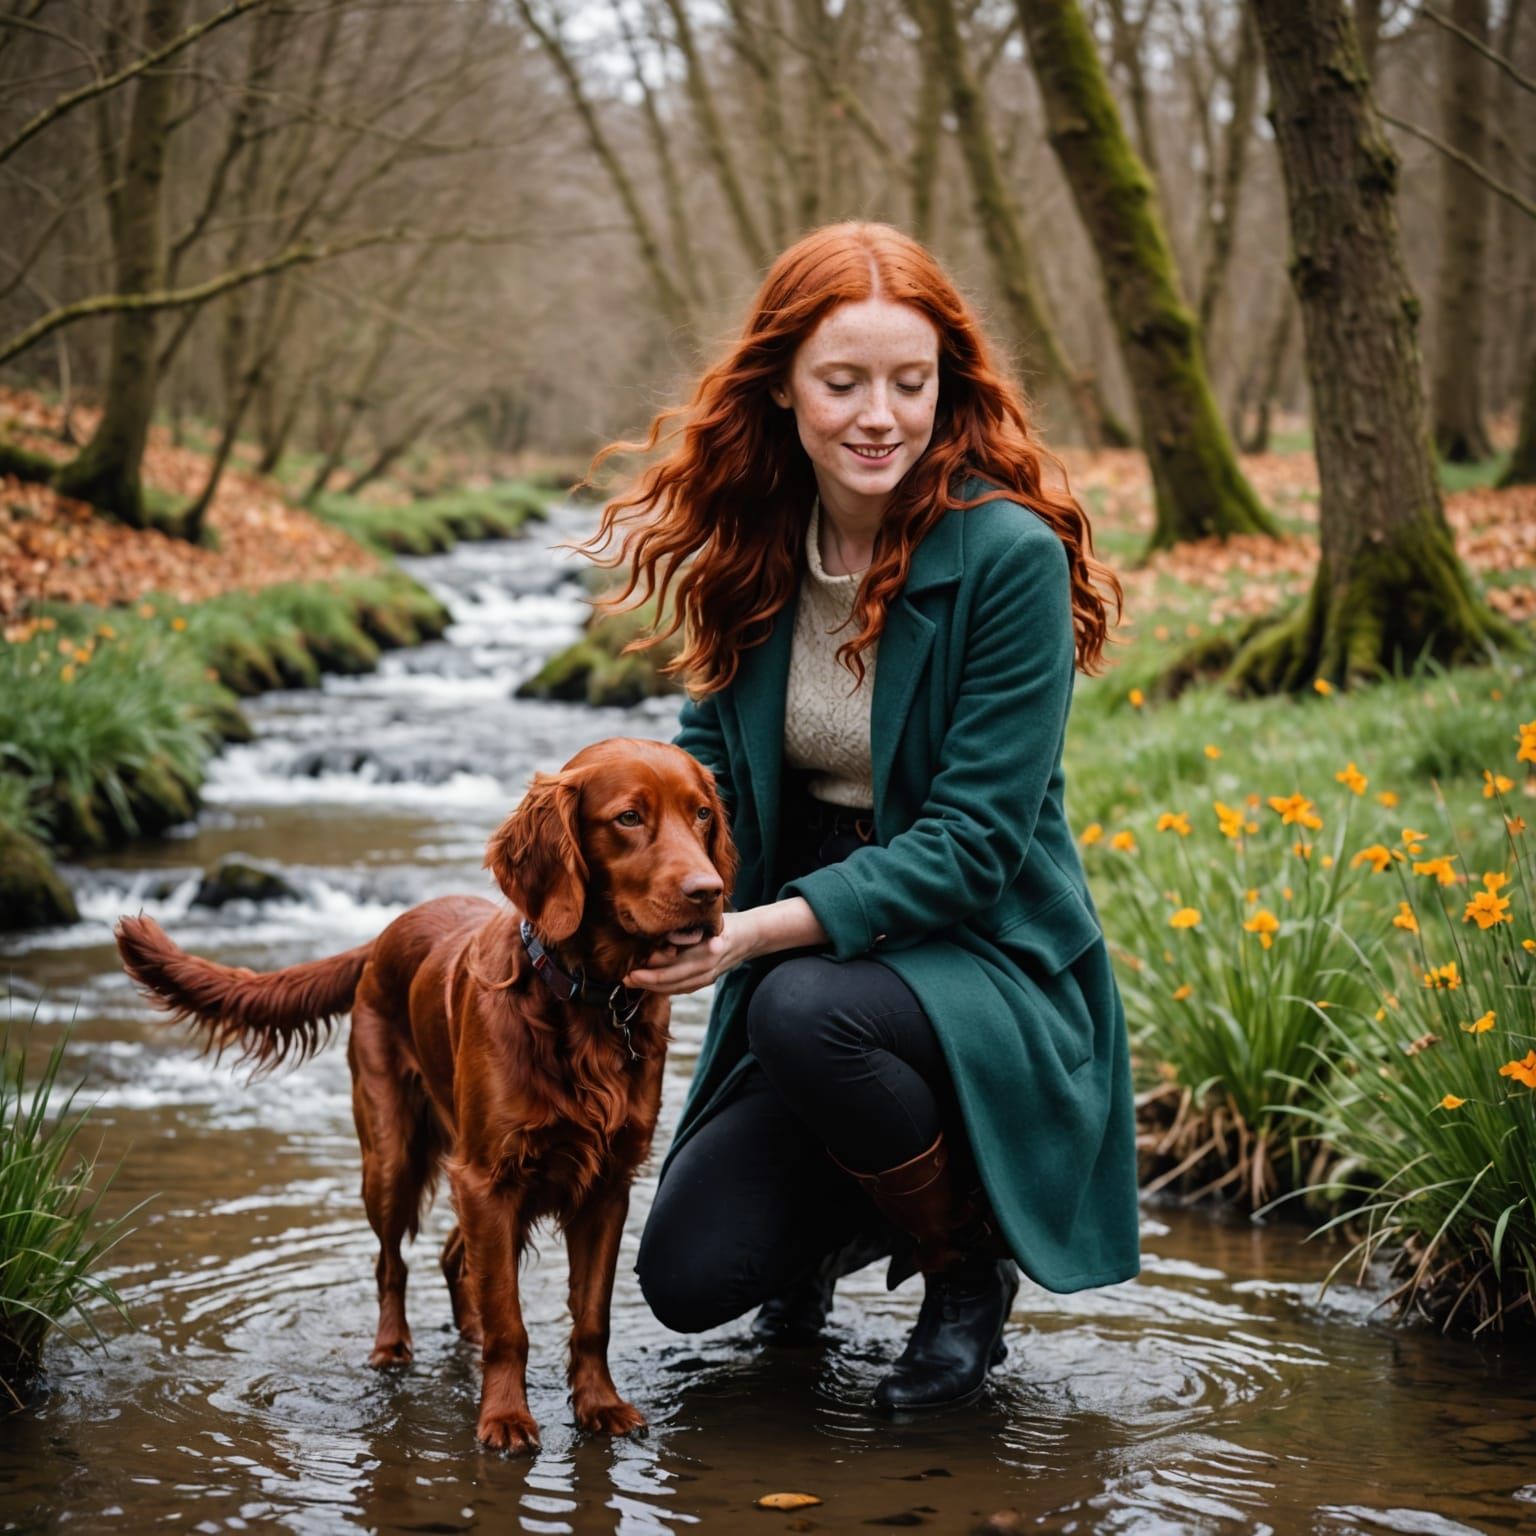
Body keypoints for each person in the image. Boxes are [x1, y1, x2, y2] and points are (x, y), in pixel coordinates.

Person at [581, 221, 1139, 1413]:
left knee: (802, 1004)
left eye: (909, 381)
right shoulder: (752, 542)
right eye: (843, 383)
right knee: (690, 1280)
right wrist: (633, 877)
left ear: (948, 386)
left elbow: (978, 846)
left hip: (984, 949)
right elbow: (713, 770)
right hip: (816, 955)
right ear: (783, 385)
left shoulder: (1008, 557)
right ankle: (854, 1206)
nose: (878, 413)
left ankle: (963, 1272)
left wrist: (757, 931)